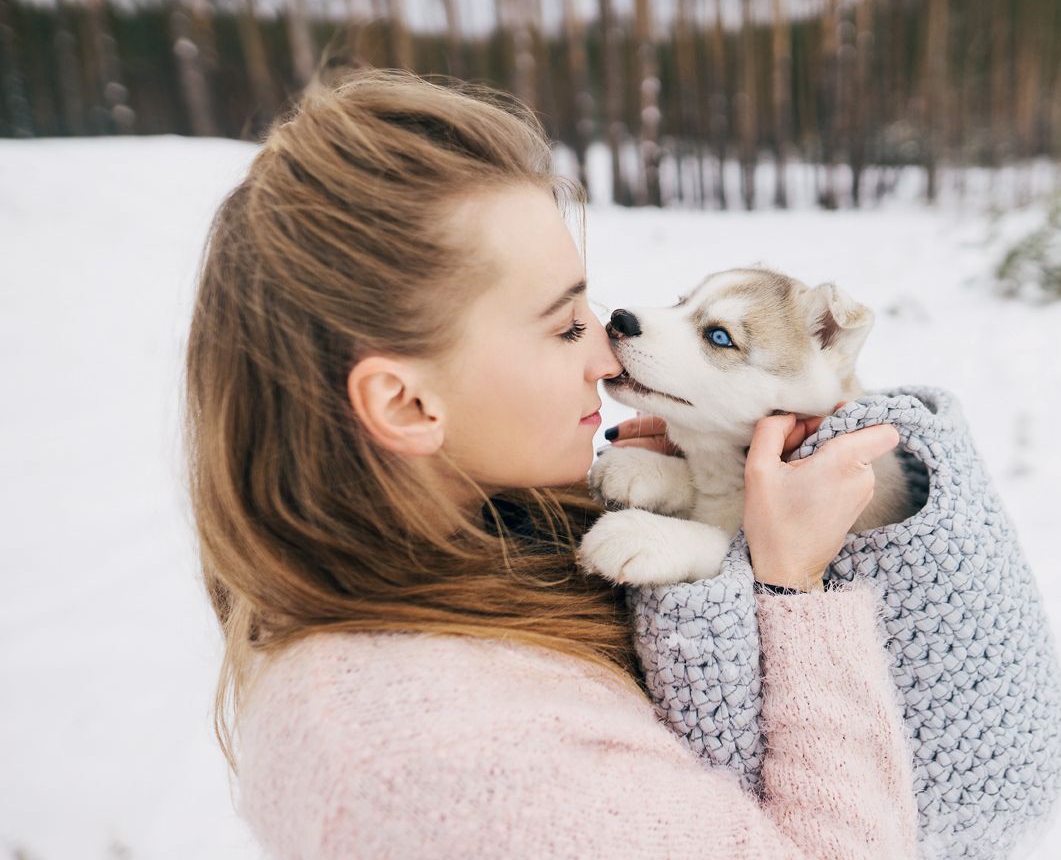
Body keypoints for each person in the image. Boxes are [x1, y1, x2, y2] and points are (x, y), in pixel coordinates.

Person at [183, 63, 918, 859]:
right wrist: (794, 590)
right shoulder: (453, 772)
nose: (608, 353)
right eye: (565, 326)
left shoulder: (494, 546)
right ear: (405, 405)